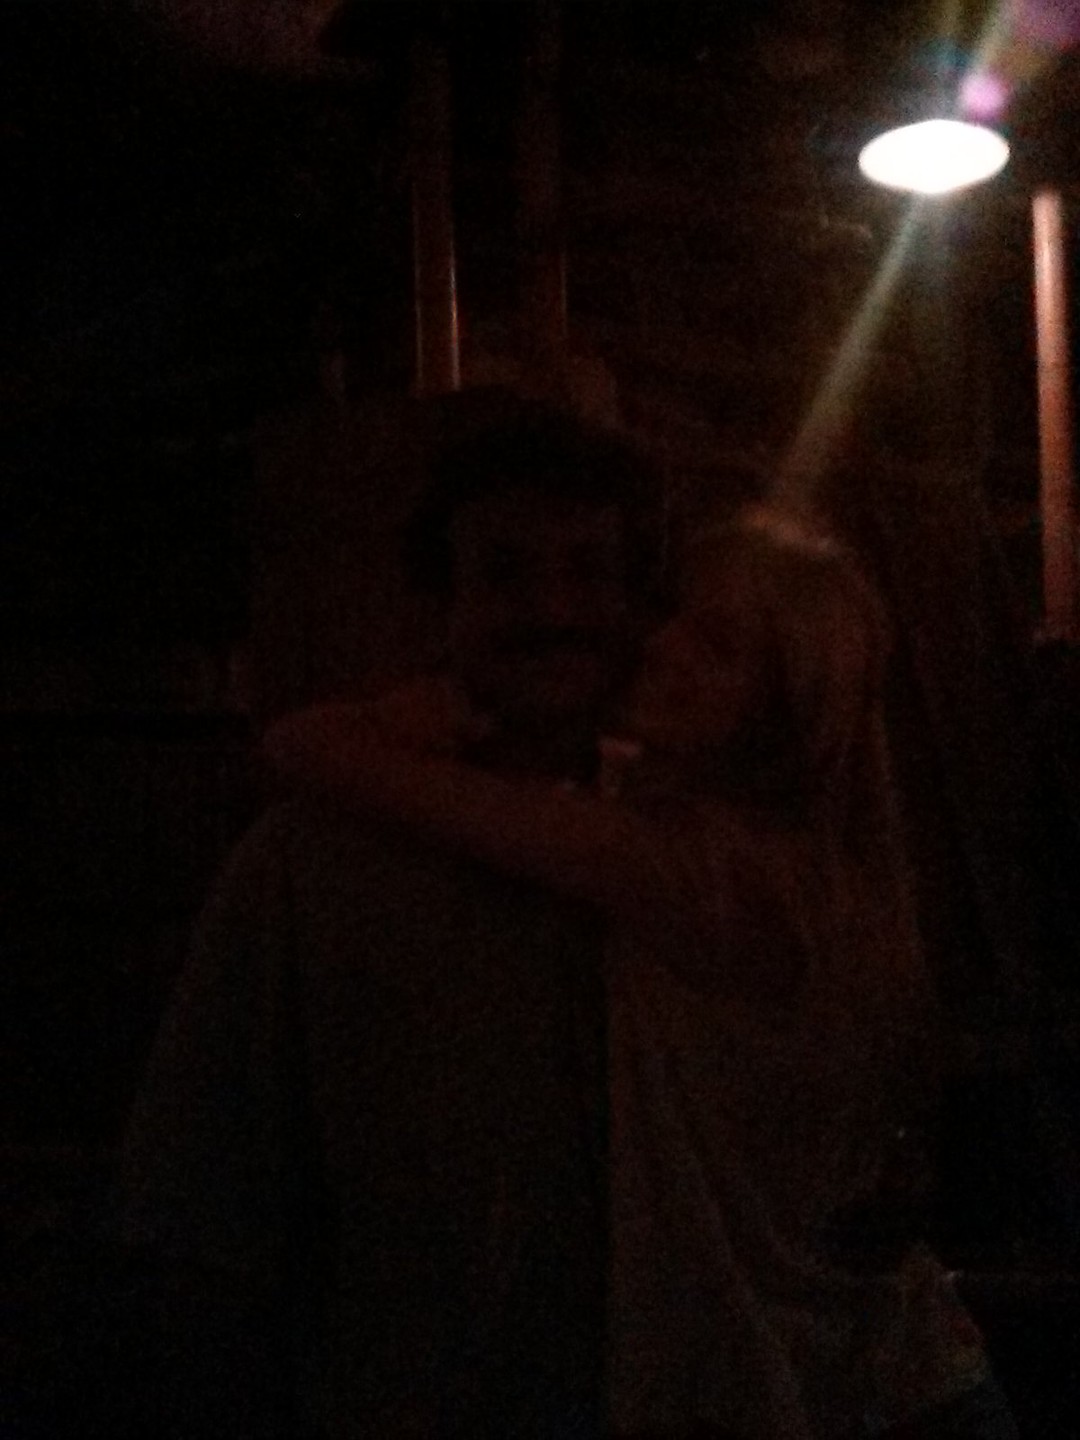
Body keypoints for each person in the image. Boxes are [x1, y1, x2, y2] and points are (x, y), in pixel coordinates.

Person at [265, 505, 1019, 1440]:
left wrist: (403, 717)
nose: (658, 646)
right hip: (904, 1380)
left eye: (715, 645)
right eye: (675, 615)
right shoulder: (834, 869)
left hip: (856, 1406)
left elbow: (303, 748)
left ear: (780, 708)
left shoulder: (694, 873)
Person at [118, 402, 669, 1438]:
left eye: (589, 570)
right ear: (438, 610)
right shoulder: (306, 865)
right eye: (505, 572)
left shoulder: (695, 851)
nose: (553, 608)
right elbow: (205, 1208)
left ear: (640, 603)